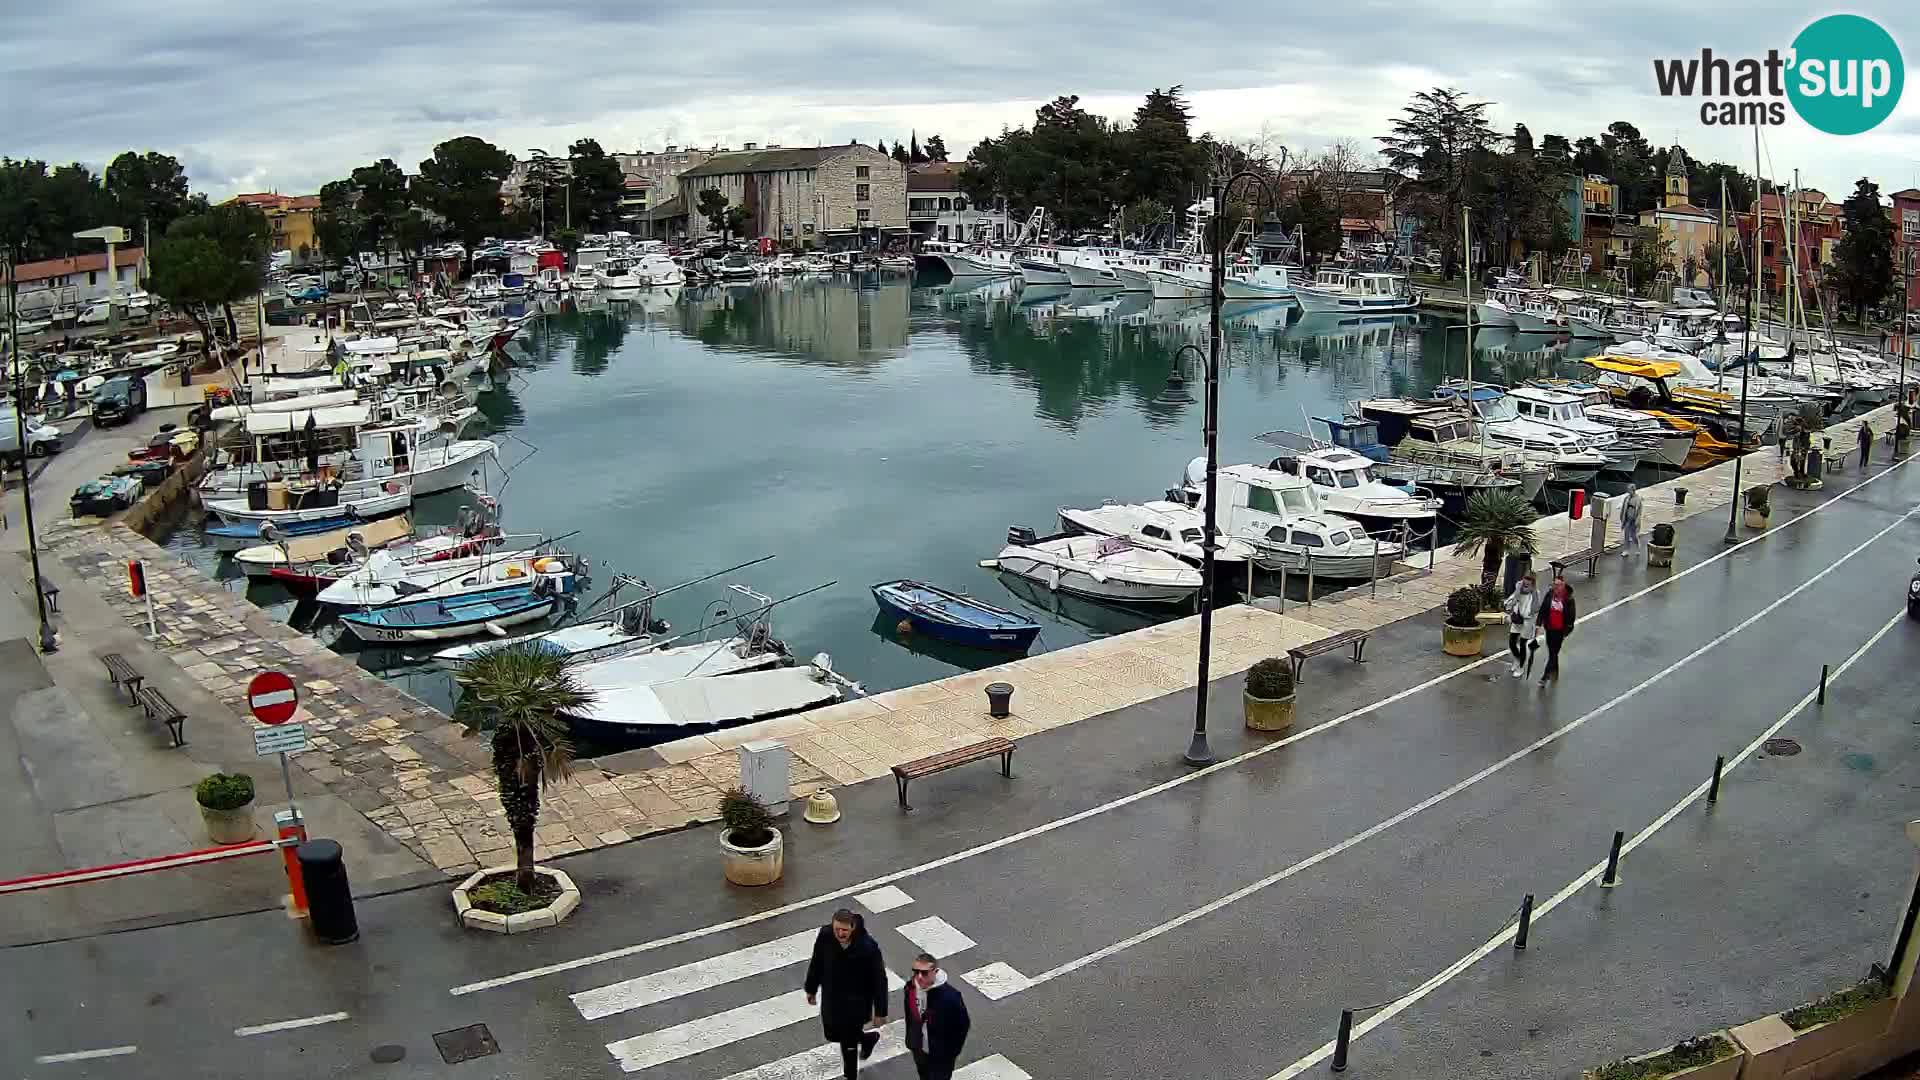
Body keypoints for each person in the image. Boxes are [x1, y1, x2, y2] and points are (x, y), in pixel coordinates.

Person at [806, 909, 889, 1079]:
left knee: (848, 1043)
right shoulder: (825, 936)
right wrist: (811, 988)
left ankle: (850, 1075)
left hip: (856, 1002)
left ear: (853, 927)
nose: (840, 933)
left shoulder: (868, 947)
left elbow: (879, 980)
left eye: (844, 930)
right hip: (832, 997)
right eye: (837, 929)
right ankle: (867, 1039)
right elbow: (817, 962)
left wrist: (880, 1011)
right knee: (832, 1033)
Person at [904, 953, 971, 1080]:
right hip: (919, 1047)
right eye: (915, 971)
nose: (919, 977)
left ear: (935, 971)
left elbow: (962, 1026)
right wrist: (911, 1040)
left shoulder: (951, 997)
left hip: (941, 1055)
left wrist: (950, 1053)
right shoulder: (910, 988)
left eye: (924, 973)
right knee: (923, 1075)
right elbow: (910, 1016)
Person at [1540, 570, 1577, 686]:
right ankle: (1555, 670)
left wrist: (1566, 631)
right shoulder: (1550, 594)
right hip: (1549, 628)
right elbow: (1543, 609)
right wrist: (1539, 623)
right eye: (1554, 584)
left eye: (1558, 585)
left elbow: (1571, 617)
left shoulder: (1569, 599)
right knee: (1552, 652)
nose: (1555, 587)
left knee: (1553, 652)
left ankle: (1545, 676)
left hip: (1560, 630)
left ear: (1563, 586)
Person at [1502, 573, 1540, 679]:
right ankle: (1517, 659)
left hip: (1527, 622)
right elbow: (1510, 601)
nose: (1524, 586)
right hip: (1517, 620)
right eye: (1523, 583)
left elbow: (1535, 609)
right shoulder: (1518, 590)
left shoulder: (1535, 594)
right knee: (1512, 643)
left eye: (1527, 585)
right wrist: (1516, 594)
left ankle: (1521, 667)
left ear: (1532, 585)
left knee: (1523, 644)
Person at [1619, 484, 1643, 558]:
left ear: (1633, 490)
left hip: (1634, 519)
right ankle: (1626, 550)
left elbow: (1639, 511)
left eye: (1629, 490)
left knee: (1633, 535)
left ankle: (1637, 547)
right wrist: (1622, 517)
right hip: (1627, 519)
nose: (1628, 491)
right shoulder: (1627, 498)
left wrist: (1637, 520)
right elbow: (1623, 508)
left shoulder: (1638, 499)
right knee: (1626, 534)